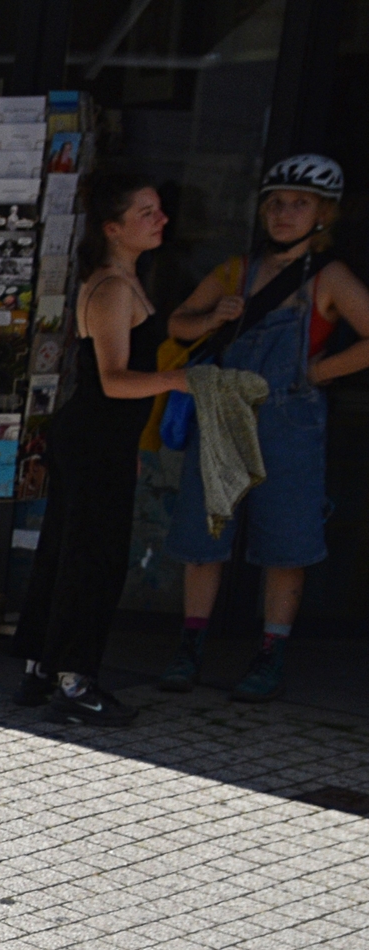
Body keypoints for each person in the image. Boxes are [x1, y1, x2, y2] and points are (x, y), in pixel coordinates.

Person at [156, 154, 369, 702]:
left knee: (287, 543)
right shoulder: (236, 270)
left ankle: (270, 655)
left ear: (324, 214)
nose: (284, 213)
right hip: (224, 414)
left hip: (290, 422)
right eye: (276, 203)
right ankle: (190, 647)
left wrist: (317, 371)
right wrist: (213, 320)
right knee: (204, 538)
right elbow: (177, 324)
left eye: (300, 204)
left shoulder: (331, 276)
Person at [13, 172, 190, 725]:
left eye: (159, 209)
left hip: (101, 438)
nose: (160, 220)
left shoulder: (127, 281)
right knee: (93, 560)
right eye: (146, 212)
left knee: (69, 552)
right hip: (93, 436)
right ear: (113, 228)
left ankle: (41, 668)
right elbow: (113, 380)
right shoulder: (112, 288)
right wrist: (179, 382)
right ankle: (74, 679)